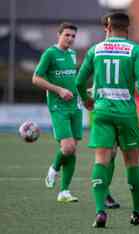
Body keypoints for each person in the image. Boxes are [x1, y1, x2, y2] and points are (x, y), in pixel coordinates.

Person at [76, 11, 139, 227]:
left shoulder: (95, 49)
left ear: (108, 27)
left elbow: (78, 82)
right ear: (128, 28)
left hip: (102, 112)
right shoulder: (134, 50)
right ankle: (136, 213)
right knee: (132, 164)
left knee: (101, 161)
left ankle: (100, 211)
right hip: (126, 114)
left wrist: (87, 100)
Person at [33, 22, 80, 203]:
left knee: (72, 150)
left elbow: (72, 78)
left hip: (75, 106)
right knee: (67, 147)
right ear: (58, 35)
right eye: (67, 35)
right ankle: (54, 168)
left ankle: (64, 192)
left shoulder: (73, 54)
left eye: (73, 36)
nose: (70, 39)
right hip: (58, 106)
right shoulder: (50, 53)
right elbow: (36, 78)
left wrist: (83, 92)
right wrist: (59, 90)